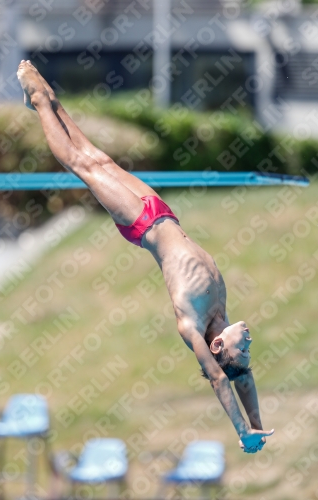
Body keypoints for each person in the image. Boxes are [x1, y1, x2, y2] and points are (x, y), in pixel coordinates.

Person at [17, 60, 274, 454]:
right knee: (99, 158)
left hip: (141, 223)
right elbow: (243, 377)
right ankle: (50, 98)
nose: (250, 341)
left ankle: (38, 101)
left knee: (81, 164)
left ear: (219, 347)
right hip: (160, 211)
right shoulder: (219, 312)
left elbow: (222, 380)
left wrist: (241, 431)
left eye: (245, 348)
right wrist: (258, 422)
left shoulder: (192, 324)